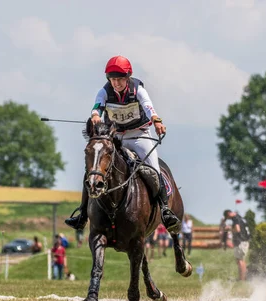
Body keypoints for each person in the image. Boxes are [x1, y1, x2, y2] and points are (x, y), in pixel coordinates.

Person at [65, 55, 181, 233]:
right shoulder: (104, 92)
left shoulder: (138, 90)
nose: (116, 83)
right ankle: (82, 214)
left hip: (139, 135)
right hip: (116, 138)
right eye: (113, 79)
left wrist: (156, 120)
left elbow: (148, 106)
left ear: (127, 78)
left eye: (120, 79)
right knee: (94, 170)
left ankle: (165, 210)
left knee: (154, 170)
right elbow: (97, 106)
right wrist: (95, 114)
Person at [223, 210, 251, 281]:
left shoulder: (235, 218)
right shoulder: (240, 217)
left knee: (239, 261)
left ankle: (241, 279)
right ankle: (243, 278)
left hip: (240, 241)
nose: (229, 219)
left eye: (227, 217)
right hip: (245, 241)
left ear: (228, 214)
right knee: (242, 260)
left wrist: (229, 229)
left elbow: (237, 229)